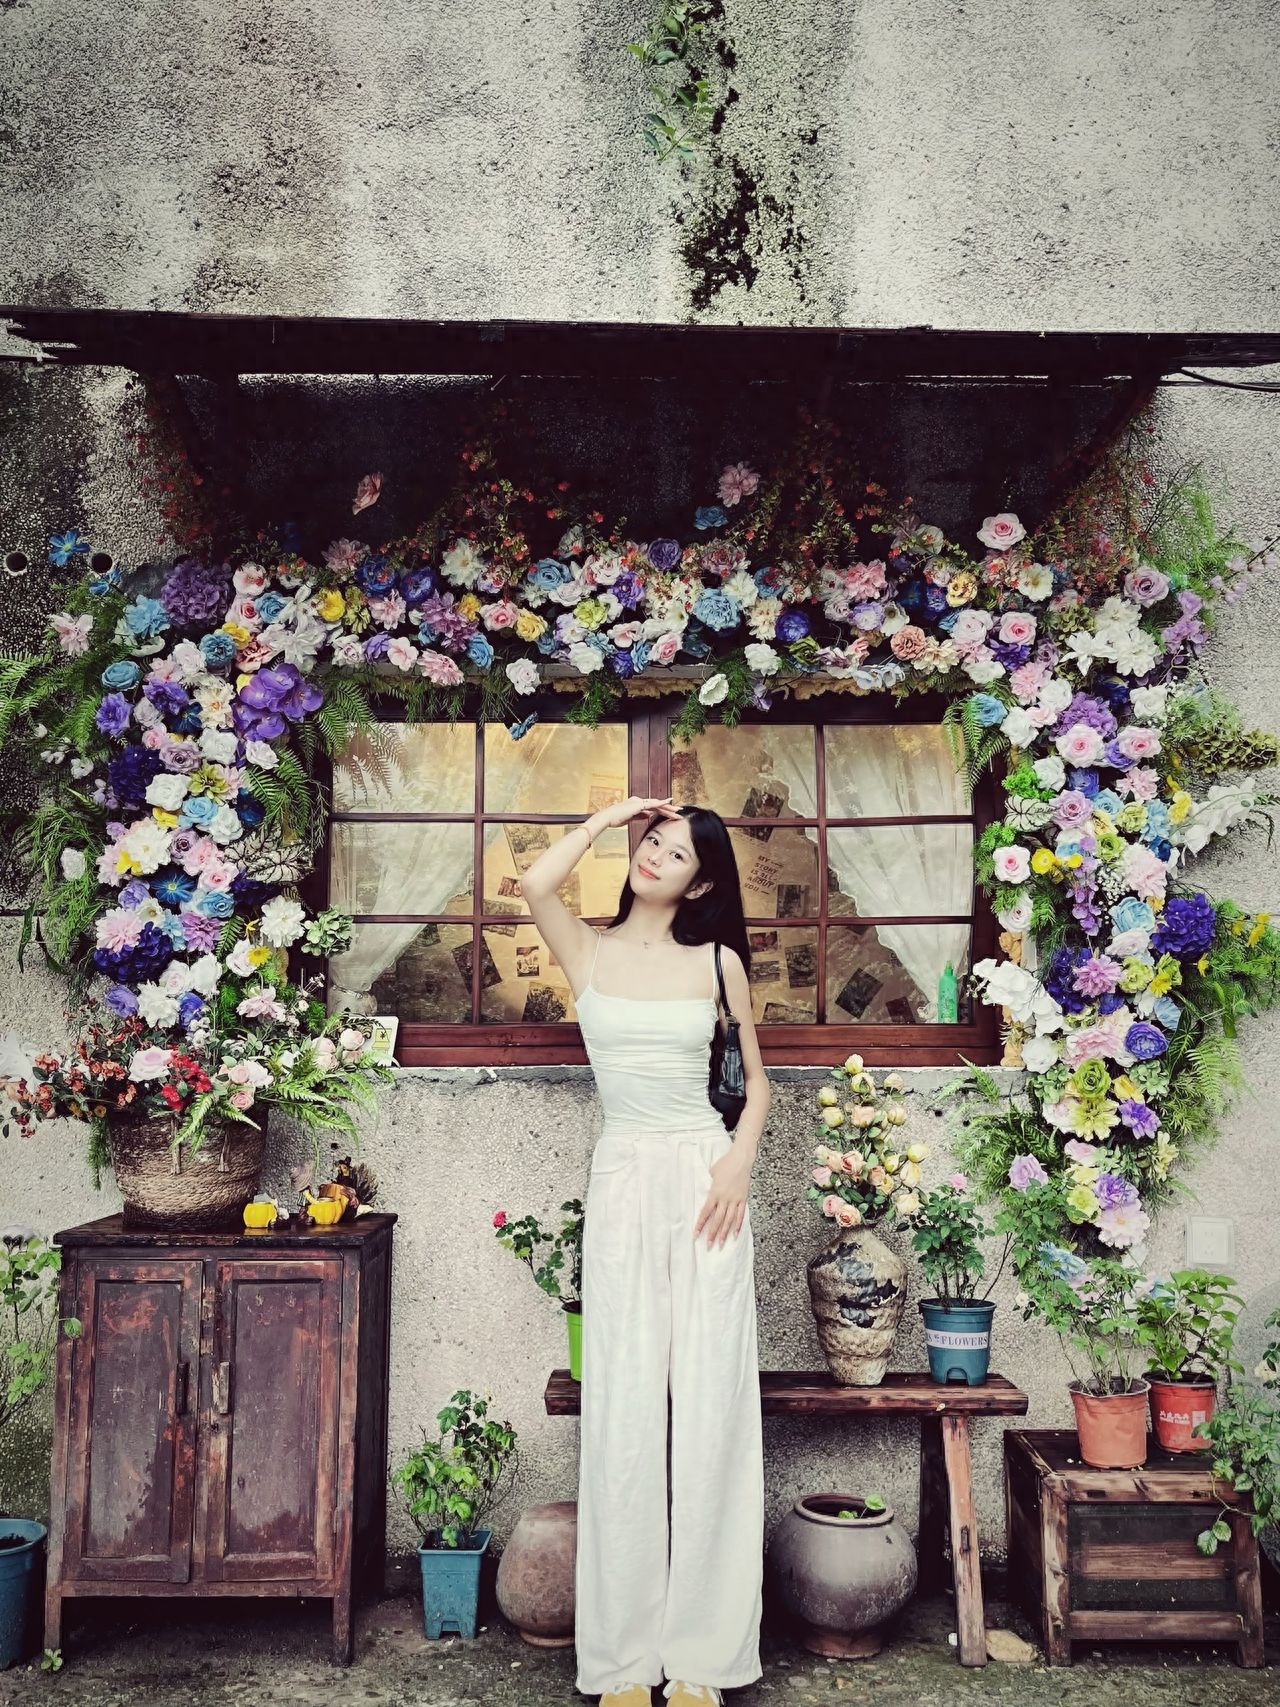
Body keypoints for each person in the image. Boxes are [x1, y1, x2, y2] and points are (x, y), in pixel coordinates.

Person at [520, 794, 770, 1707]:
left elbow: (757, 1082)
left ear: (702, 879)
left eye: (676, 851)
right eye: (651, 842)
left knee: (709, 1404)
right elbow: (534, 881)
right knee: (624, 1407)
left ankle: (702, 1656)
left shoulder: (718, 962)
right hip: (623, 1176)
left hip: (706, 1182)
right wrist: (608, 814)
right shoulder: (587, 948)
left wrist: (739, 1159)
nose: (656, 855)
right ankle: (626, 1662)